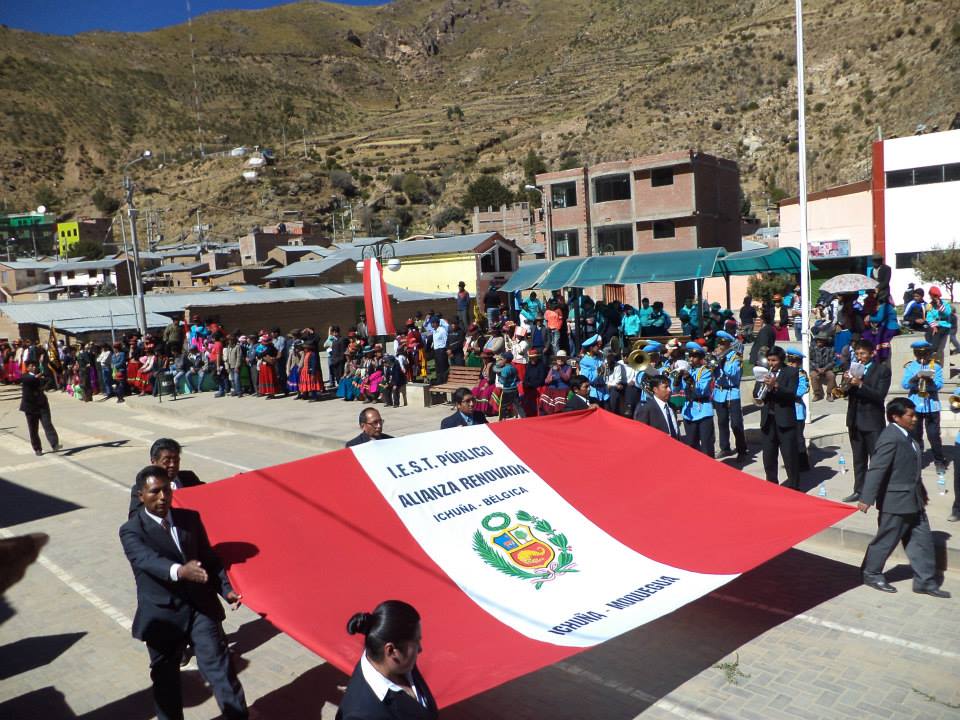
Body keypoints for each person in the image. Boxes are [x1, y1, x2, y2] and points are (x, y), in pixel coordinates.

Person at [119, 466, 249, 720]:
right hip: (162, 615)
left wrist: (226, 590)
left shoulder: (190, 519)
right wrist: (180, 571)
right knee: (166, 679)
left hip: (200, 609)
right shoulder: (132, 530)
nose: (162, 497)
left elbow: (209, 558)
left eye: (166, 490)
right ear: (140, 496)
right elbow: (146, 560)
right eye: (155, 491)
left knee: (219, 667)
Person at [858, 399, 951, 598]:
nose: (915, 419)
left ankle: (925, 582)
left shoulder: (906, 435)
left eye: (915, 415)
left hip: (913, 499)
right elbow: (877, 468)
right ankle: (871, 573)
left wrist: (921, 491)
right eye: (911, 415)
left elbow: (910, 468)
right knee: (886, 540)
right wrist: (867, 498)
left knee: (922, 541)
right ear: (896, 417)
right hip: (895, 501)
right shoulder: (890, 438)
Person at [336, 600, 437, 720]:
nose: (420, 649)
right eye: (416, 641)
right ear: (391, 650)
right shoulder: (360, 716)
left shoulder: (402, 661)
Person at [843, 339, 892, 502]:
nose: (860, 357)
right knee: (858, 459)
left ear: (872, 354)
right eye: (857, 354)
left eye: (863, 353)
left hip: (872, 421)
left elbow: (879, 395)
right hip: (854, 420)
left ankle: (879, 492)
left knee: (876, 460)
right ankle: (859, 490)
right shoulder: (853, 368)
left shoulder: (882, 370)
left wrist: (861, 385)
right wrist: (846, 382)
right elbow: (844, 392)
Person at [756, 346, 800, 488]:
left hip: (785, 419)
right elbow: (757, 393)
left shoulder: (791, 372)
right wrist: (762, 386)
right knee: (768, 456)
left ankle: (793, 486)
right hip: (768, 419)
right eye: (769, 360)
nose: (771, 363)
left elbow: (791, 394)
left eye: (774, 360)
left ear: (781, 360)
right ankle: (772, 485)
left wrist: (776, 386)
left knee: (789, 456)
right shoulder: (764, 372)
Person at [902, 340, 945, 471]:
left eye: (925, 354)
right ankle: (917, 459)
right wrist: (915, 378)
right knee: (915, 434)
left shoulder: (935, 366)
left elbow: (939, 385)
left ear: (929, 353)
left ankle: (939, 460)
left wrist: (929, 381)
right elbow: (905, 384)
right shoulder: (911, 367)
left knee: (933, 435)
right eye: (919, 354)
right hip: (915, 404)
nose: (922, 357)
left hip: (931, 405)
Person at [712, 332, 746, 460]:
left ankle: (742, 450)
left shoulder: (735, 357)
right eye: (719, 343)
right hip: (719, 393)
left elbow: (733, 374)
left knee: (736, 423)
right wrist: (713, 363)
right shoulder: (717, 356)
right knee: (722, 422)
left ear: (729, 344)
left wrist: (722, 360)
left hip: (732, 393)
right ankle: (725, 448)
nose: (719, 346)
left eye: (723, 343)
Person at [678, 342, 715, 458]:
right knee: (691, 445)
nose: (691, 359)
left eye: (694, 357)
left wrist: (689, 378)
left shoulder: (706, 371)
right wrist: (677, 379)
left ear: (700, 358)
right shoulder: (688, 371)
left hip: (703, 410)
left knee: (707, 445)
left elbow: (701, 391)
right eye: (690, 356)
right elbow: (675, 389)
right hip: (688, 411)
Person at [20, 360, 61, 457]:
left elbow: (49, 379)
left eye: (35, 366)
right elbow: (28, 380)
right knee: (33, 429)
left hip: (42, 404)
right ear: (28, 368)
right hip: (30, 407)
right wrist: (37, 377)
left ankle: (55, 444)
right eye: (31, 366)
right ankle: (37, 448)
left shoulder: (40, 374)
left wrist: (45, 382)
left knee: (47, 424)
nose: (34, 367)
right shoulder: (26, 376)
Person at [786, 349, 812, 471]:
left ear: (799, 362)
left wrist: (786, 392)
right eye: (789, 361)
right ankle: (791, 461)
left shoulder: (801, 374)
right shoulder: (784, 372)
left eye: (794, 361)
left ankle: (803, 463)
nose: (791, 364)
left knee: (798, 438)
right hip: (785, 409)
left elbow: (803, 389)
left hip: (797, 410)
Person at [634, 375, 681, 440]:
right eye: (665, 387)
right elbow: (640, 433)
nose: (669, 390)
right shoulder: (646, 408)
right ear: (655, 389)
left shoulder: (675, 407)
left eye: (669, 386)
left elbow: (682, 428)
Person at [808, 332, 837, 401]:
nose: (819, 341)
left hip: (826, 368)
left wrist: (825, 368)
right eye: (818, 339)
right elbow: (810, 360)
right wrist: (817, 368)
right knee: (813, 376)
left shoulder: (830, 349)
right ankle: (817, 394)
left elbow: (833, 361)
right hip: (815, 368)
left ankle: (829, 394)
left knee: (831, 375)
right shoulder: (812, 348)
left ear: (825, 341)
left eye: (821, 340)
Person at [430, 317, 448, 384]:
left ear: (437, 323)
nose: (432, 324)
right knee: (437, 367)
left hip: (441, 350)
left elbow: (446, 340)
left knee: (443, 366)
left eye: (433, 323)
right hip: (436, 351)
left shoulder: (442, 330)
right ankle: (439, 380)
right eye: (431, 323)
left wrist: (446, 350)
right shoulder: (434, 331)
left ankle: (444, 380)